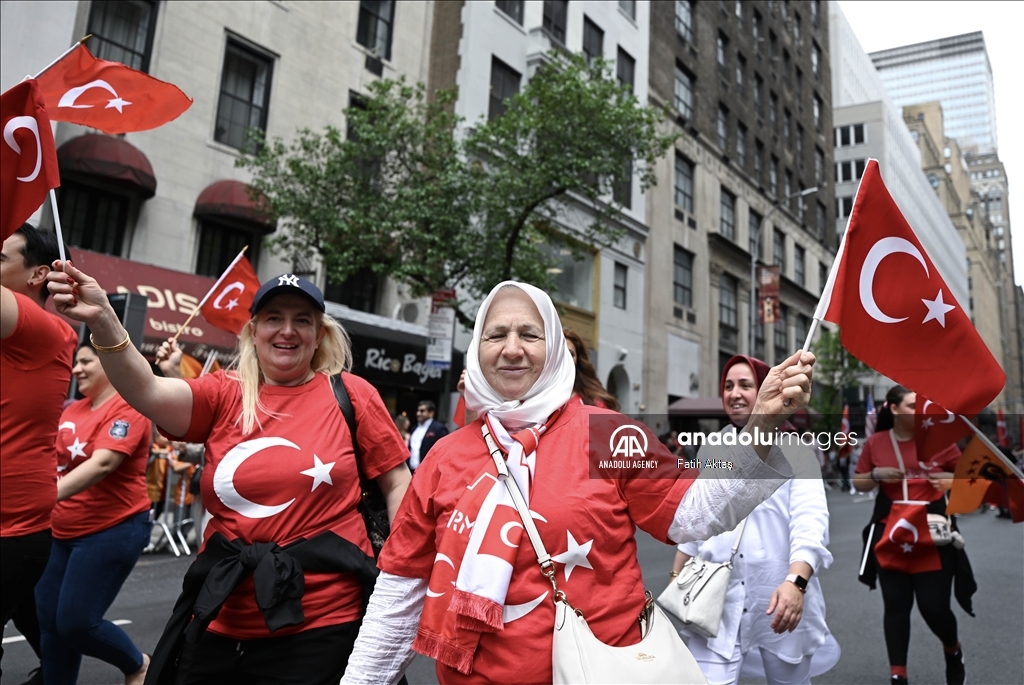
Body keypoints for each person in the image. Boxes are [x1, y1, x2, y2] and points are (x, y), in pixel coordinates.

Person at [341, 281, 816, 684]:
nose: (512, 348)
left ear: (553, 350)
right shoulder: (445, 456)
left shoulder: (606, 432)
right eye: (496, 334)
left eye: (530, 334)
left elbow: (695, 511)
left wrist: (761, 426)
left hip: (602, 670)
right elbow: (399, 594)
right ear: (476, 350)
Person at [46, 265, 411, 685]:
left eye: (302, 320)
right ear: (254, 331)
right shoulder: (222, 392)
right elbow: (145, 389)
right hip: (221, 613)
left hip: (324, 621)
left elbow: (397, 483)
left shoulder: (352, 395)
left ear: (319, 335)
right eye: (274, 318)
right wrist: (104, 319)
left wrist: (398, 576)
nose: (287, 330)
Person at [670, 355, 839, 685]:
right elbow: (699, 517)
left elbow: (810, 520)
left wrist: (796, 583)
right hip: (713, 597)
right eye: (728, 385)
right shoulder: (712, 447)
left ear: (766, 390)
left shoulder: (796, 449)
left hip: (777, 599)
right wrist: (677, 575)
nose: (734, 393)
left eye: (746, 385)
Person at [34, 340, 152, 684]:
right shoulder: (71, 409)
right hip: (59, 532)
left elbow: (103, 464)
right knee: (51, 627)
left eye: (86, 361)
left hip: (111, 530)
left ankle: (137, 664)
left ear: (110, 364)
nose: (76, 369)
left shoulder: (129, 407)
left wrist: (44, 496)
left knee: (76, 623)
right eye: (76, 362)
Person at [853, 386, 970, 685]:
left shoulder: (940, 442)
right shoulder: (877, 442)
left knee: (934, 608)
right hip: (891, 534)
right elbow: (859, 481)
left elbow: (969, 479)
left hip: (933, 534)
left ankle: (953, 650)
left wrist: (949, 479)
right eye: (911, 406)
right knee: (895, 604)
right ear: (893, 409)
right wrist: (877, 475)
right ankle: (898, 675)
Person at [1, 225, 78, 678]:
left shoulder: (45, 327)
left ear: (39, 275)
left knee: (74, 623)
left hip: (12, 527)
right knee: (44, 630)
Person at [563, 328, 620, 410]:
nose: (565, 358)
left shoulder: (594, 403)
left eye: (571, 354)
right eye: (561, 352)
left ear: (577, 361)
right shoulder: (539, 400)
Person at [408, 400, 448, 471]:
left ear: (431, 413)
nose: (418, 413)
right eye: (418, 410)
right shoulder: (414, 428)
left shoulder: (439, 429)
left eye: (422, 411)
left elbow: (444, 452)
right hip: (411, 470)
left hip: (427, 471)